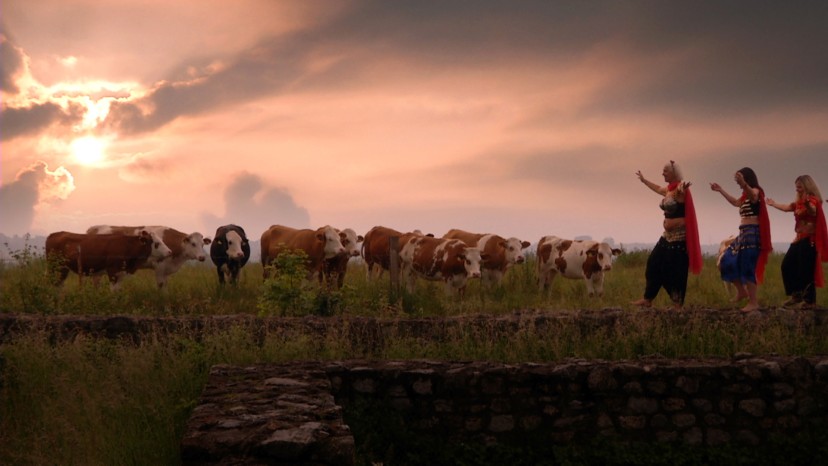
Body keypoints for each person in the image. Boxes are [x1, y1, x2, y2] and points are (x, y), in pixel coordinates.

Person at [632, 161, 702, 310]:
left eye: (665, 171)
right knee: (653, 264)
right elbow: (657, 188)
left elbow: (680, 191)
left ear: (674, 173)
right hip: (666, 237)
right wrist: (644, 181)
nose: (662, 174)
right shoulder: (668, 190)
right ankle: (648, 298)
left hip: (679, 239)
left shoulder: (678, 190)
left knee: (676, 272)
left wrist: (683, 187)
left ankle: (677, 304)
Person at [710, 167, 772, 312]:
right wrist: (721, 190)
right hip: (743, 234)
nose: (738, 183)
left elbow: (754, 197)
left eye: (740, 180)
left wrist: (744, 183)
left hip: (752, 234)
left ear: (747, 178)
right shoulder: (744, 196)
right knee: (725, 261)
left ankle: (753, 302)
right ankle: (742, 291)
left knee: (747, 266)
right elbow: (735, 202)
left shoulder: (756, 191)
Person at [767, 175, 828, 309]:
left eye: (799, 186)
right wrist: (773, 203)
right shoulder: (798, 203)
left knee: (805, 270)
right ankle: (796, 295)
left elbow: (813, 211)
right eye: (796, 187)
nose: (797, 189)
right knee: (787, 265)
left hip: (809, 240)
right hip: (799, 239)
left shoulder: (812, 200)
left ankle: (809, 301)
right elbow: (786, 208)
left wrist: (807, 204)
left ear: (807, 186)